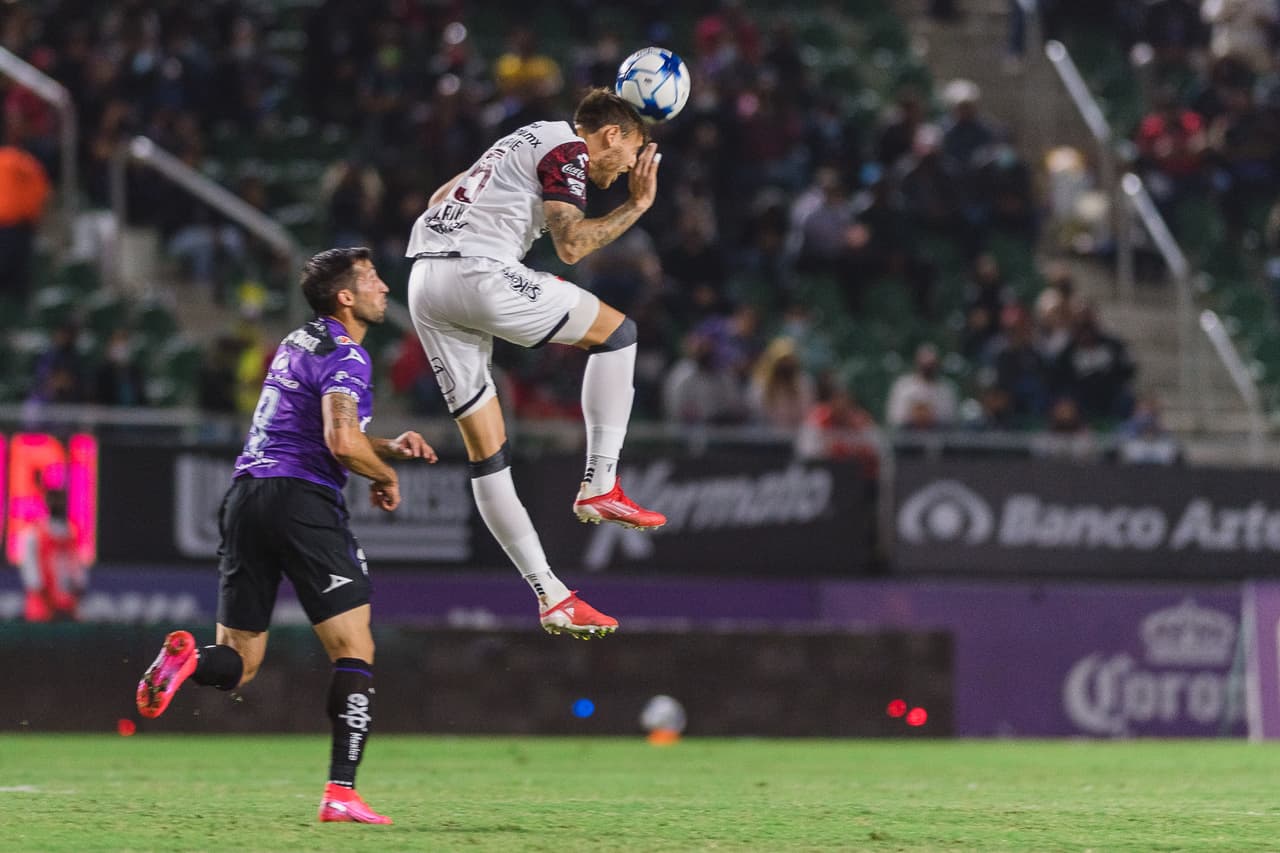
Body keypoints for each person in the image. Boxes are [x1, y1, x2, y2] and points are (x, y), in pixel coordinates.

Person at [135, 248, 437, 825]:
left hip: (247, 497)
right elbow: (340, 442)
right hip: (303, 502)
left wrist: (389, 447)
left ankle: (187, 660)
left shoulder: (300, 342)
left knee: (239, 664)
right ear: (345, 297)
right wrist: (387, 473)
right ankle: (341, 793)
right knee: (355, 648)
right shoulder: (348, 355)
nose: (384, 289)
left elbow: (330, 431)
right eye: (372, 280)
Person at [405, 88, 666, 638]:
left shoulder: (516, 142)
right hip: (477, 272)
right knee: (619, 333)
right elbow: (571, 246)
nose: (626, 171)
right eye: (631, 153)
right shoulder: (568, 147)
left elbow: (437, 200)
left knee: (488, 456)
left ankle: (552, 595)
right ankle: (601, 482)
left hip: (425, 282)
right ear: (612, 134)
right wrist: (637, 206)